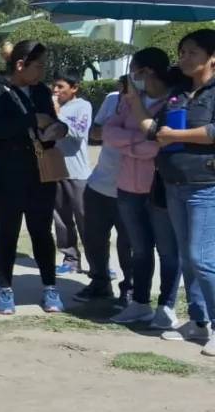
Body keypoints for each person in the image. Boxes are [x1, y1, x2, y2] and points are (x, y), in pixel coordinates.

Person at [124, 30, 215, 354]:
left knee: (201, 259)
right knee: (188, 260)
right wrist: (135, 103)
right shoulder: (179, 93)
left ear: (212, 57)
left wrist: (178, 133)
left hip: (206, 187)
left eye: (192, 52)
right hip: (173, 185)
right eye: (181, 52)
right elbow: (154, 131)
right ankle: (198, 320)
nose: (184, 58)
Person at [0, 40, 68, 315]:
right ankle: (5, 288)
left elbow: (49, 119)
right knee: (8, 229)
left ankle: (50, 287)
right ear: (20, 65)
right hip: (3, 168)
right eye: (39, 66)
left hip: (40, 169)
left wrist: (58, 128)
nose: (43, 72)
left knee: (42, 229)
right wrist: (31, 120)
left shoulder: (40, 92)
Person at [103, 48, 182, 329]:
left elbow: (160, 144)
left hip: (159, 187)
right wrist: (138, 143)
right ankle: (139, 304)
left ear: (146, 71)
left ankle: (166, 306)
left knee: (169, 251)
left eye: (133, 70)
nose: (129, 77)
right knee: (139, 249)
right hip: (127, 186)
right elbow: (109, 132)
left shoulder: (174, 101)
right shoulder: (125, 102)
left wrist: (132, 145)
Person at [74, 82, 133, 303]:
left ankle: (130, 288)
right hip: (99, 184)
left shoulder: (153, 103)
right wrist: (112, 127)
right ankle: (99, 282)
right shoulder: (112, 99)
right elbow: (95, 133)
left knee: (129, 242)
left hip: (131, 187)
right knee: (94, 239)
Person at [50, 69, 93, 275]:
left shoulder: (82, 106)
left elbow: (79, 132)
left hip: (77, 173)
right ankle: (70, 259)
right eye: (55, 86)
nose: (56, 90)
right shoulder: (51, 107)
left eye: (61, 87)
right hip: (55, 170)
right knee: (61, 219)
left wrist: (59, 115)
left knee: (86, 218)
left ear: (74, 88)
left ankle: (98, 263)